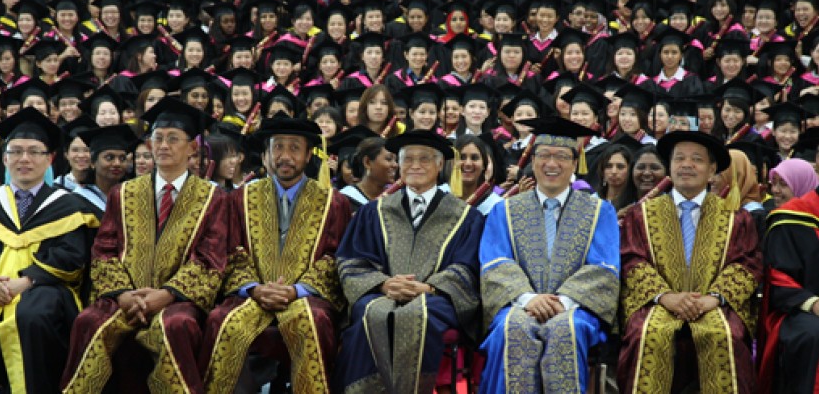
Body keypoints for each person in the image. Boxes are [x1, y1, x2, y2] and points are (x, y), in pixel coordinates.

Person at [61, 98, 228, 393]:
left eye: (173, 139)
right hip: (124, 298)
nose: (163, 145)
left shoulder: (212, 198)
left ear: (192, 149)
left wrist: (165, 295)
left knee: (176, 326)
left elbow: (210, 259)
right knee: (89, 320)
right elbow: (104, 250)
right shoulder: (123, 193)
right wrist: (124, 296)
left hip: (179, 300)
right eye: (157, 138)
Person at [199, 119, 352, 392]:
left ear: (308, 155)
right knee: (221, 321)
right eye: (277, 147)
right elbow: (232, 252)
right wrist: (255, 289)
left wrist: (296, 291)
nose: (285, 156)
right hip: (251, 295)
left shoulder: (332, 202)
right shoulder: (240, 198)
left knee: (314, 321)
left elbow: (333, 258)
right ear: (267, 154)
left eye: (295, 148)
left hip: (306, 297)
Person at [334, 130, 484, 393]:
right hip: (381, 293)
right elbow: (352, 261)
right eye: (407, 159)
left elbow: (467, 267)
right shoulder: (374, 211)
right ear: (399, 165)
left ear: (440, 165)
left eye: (424, 159)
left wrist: (428, 288)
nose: (415, 165)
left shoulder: (465, 216)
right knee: (371, 311)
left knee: (421, 314)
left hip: (436, 298)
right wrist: (383, 284)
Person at [478, 117, 620, 393]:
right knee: (512, 328)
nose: (551, 164)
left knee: (564, 329)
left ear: (575, 162)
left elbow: (604, 267)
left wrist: (562, 302)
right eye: (543, 155)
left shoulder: (598, 211)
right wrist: (529, 299)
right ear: (532, 160)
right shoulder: (505, 210)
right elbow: (495, 262)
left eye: (561, 156)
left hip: (575, 308)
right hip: (519, 305)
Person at [618, 131, 762, 393]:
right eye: (679, 158)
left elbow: (747, 264)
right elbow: (631, 259)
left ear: (711, 171)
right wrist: (665, 296)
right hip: (657, 303)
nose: (687, 165)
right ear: (670, 168)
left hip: (713, 303)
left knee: (725, 335)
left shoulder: (735, 217)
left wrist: (714, 298)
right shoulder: (641, 214)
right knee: (647, 334)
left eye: (697, 159)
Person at [0, 107, 99, 393]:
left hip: (46, 287)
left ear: (50, 158)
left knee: (34, 313)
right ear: (4, 158)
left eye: (34, 151)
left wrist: (24, 282)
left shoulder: (68, 206)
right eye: (15, 151)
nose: (24, 159)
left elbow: (71, 256)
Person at [761, 140, 819, 393]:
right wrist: (813, 304)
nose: (776, 190)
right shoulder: (790, 217)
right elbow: (778, 276)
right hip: (800, 308)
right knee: (811, 333)